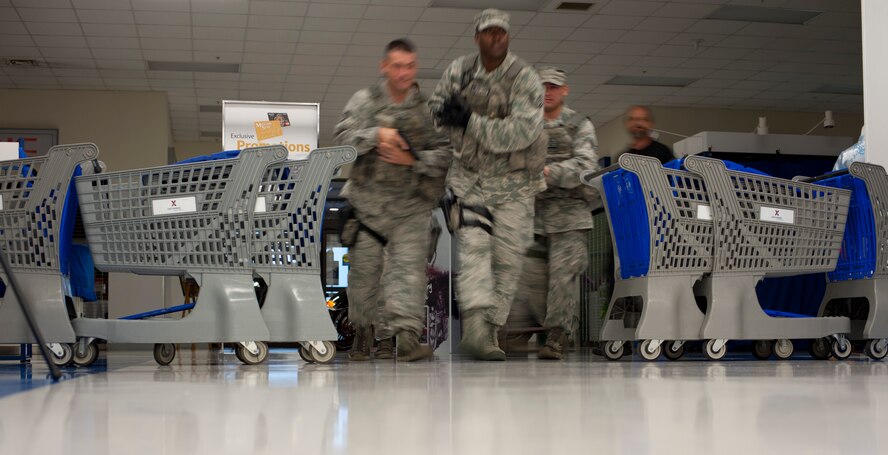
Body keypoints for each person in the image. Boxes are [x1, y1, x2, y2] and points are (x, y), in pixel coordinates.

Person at [429, 9, 547, 361]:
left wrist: (470, 120)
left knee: (507, 263)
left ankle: (492, 327)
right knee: (475, 253)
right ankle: (478, 330)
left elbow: (521, 132)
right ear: (477, 37)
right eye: (489, 32)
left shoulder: (525, 78)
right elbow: (437, 108)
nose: (496, 37)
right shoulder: (460, 70)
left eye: (502, 32)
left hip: (516, 186)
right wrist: (445, 116)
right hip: (470, 181)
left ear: (508, 37)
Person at [333, 38, 450, 362]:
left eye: (410, 66)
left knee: (409, 275)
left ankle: (408, 339)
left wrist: (412, 160)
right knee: (363, 277)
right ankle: (363, 332)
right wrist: (376, 135)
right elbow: (342, 139)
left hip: (410, 208)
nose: (404, 72)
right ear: (384, 66)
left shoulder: (428, 110)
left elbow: (446, 154)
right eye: (397, 65)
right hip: (368, 208)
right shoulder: (365, 101)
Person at [504, 67, 599, 360]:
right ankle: (521, 330)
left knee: (562, 280)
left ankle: (558, 335)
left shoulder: (579, 125)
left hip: (569, 217)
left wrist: (548, 172)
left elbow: (586, 167)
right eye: (542, 86)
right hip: (532, 216)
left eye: (553, 86)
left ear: (564, 90)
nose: (547, 91)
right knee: (526, 278)